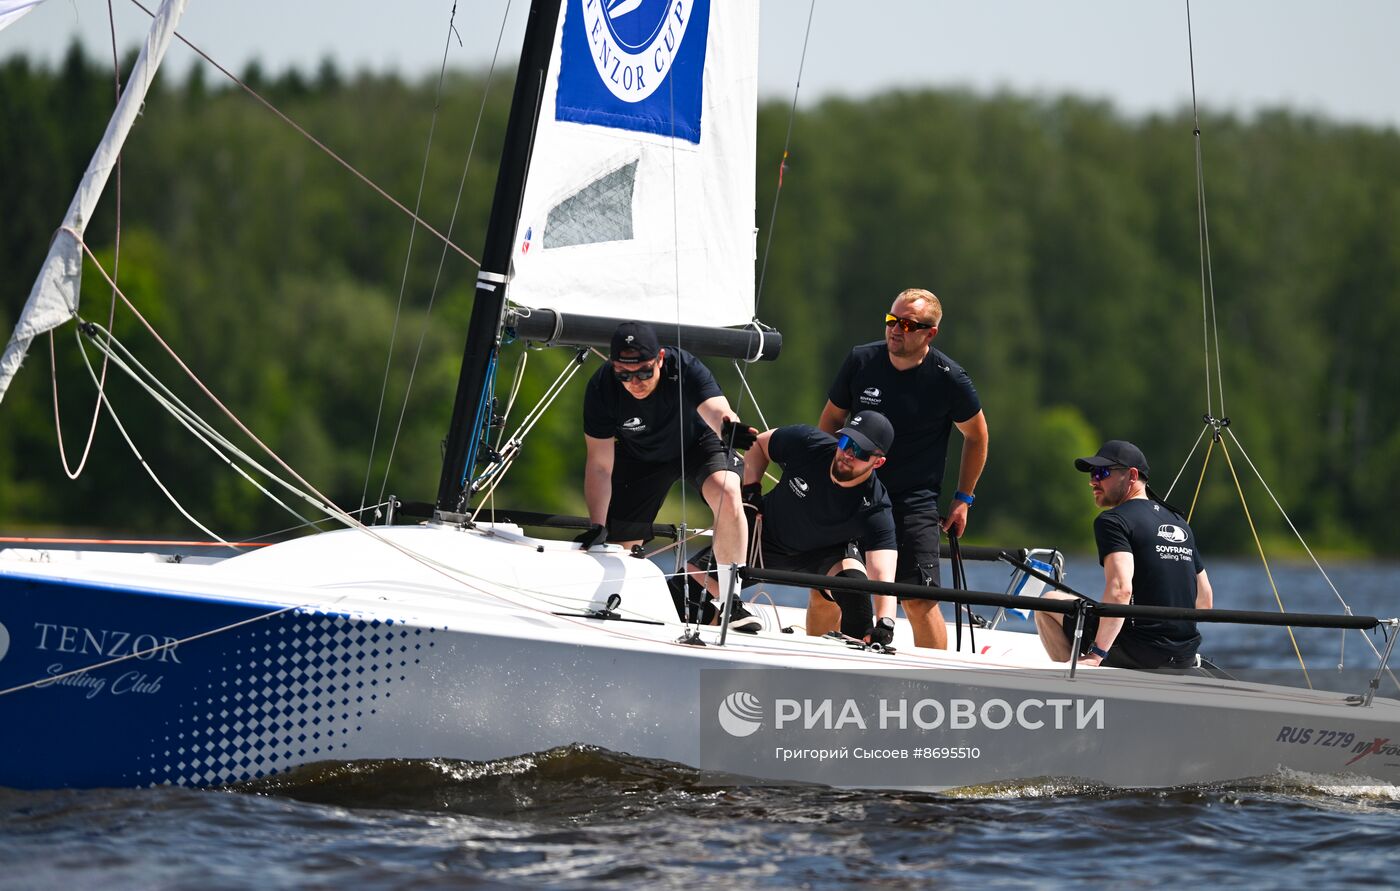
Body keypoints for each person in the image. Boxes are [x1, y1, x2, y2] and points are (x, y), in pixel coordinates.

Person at [818, 288, 988, 650]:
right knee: (827, 591)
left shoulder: (949, 378)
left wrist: (963, 498)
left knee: (919, 600)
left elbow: (977, 436)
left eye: (908, 325)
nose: (896, 329)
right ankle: (810, 668)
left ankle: (933, 679)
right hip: (855, 491)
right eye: (892, 320)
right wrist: (827, 478)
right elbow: (831, 419)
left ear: (930, 333)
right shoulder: (861, 360)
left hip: (913, 500)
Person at [580, 321, 759, 628]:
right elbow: (599, 464)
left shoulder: (684, 367)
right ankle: (620, 611)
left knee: (727, 491)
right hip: (641, 456)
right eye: (624, 374)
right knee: (620, 545)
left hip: (699, 443)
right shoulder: (602, 388)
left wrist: (728, 428)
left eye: (644, 372)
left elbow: (717, 410)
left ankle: (732, 603)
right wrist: (597, 525)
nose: (634, 382)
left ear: (660, 358)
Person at [691, 410, 898, 640]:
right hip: (765, 538)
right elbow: (758, 445)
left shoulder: (876, 505)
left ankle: (847, 657)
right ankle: (732, 633)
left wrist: (886, 623)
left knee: (857, 600)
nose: (848, 453)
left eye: (861, 451)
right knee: (685, 592)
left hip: (826, 554)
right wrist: (750, 492)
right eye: (846, 442)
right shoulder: (809, 443)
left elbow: (883, 573)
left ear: (878, 462)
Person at [1033, 440, 1214, 670]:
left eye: (1102, 473)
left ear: (1132, 475)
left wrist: (1097, 654)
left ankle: (1075, 679)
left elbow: (1121, 589)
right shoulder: (1180, 523)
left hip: (1140, 652)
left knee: (1047, 603)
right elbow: (1205, 600)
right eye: (1092, 474)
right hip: (1184, 655)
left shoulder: (1113, 521)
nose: (1093, 481)